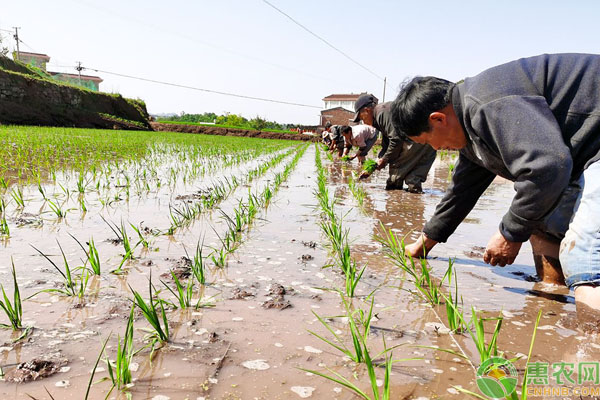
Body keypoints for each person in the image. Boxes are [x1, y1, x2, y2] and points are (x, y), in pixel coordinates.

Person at [390, 53, 600, 323]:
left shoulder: (488, 105)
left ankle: (588, 353)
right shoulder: (471, 128)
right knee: (541, 221)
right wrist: (424, 243)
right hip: (585, 153)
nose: (433, 149)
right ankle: (551, 311)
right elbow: (460, 194)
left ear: (438, 119)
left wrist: (509, 234)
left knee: (585, 261)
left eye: (427, 140)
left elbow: (547, 167)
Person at [353, 93, 437, 193]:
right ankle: (413, 204)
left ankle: (393, 199)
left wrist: (384, 160)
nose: (364, 122)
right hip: (430, 138)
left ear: (367, 110)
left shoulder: (381, 113)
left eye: (362, 118)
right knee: (414, 181)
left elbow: (396, 140)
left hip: (416, 138)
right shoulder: (381, 113)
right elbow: (386, 144)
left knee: (395, 177)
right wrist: (375, 164)